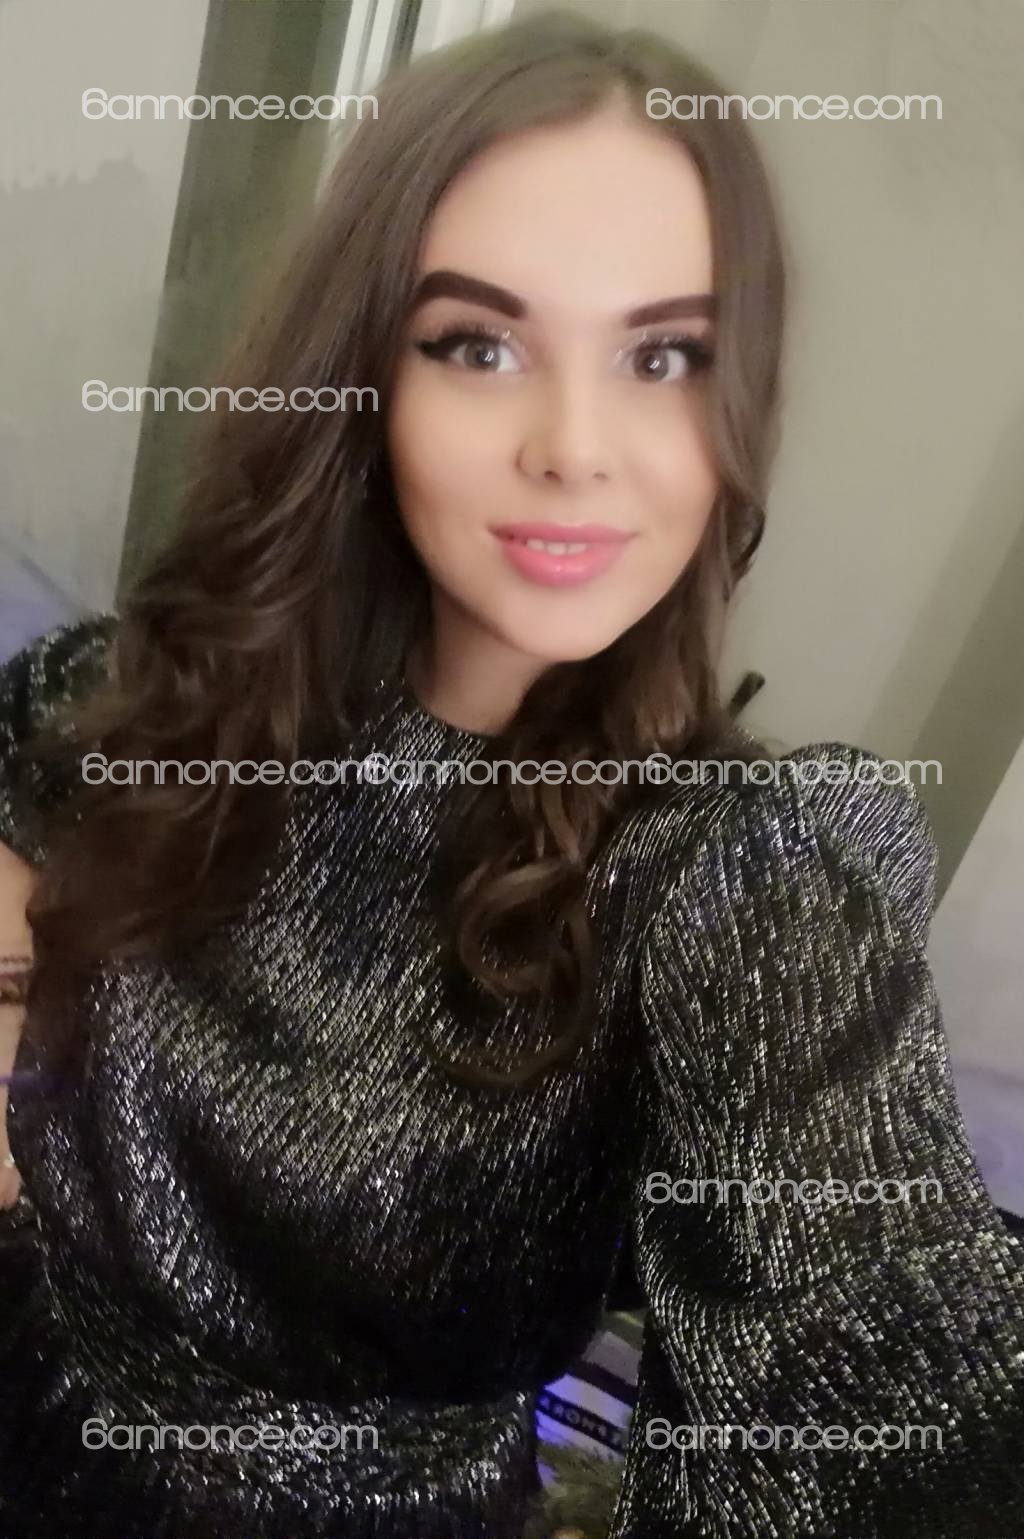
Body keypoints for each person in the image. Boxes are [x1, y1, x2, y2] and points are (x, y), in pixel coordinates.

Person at [1, 10, 1023, 1537]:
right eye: (479, 345)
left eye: (664, 356)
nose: (575, 447)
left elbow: (883, 1385)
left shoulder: (746, 868)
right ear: (363, 375)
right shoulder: (140, 694)